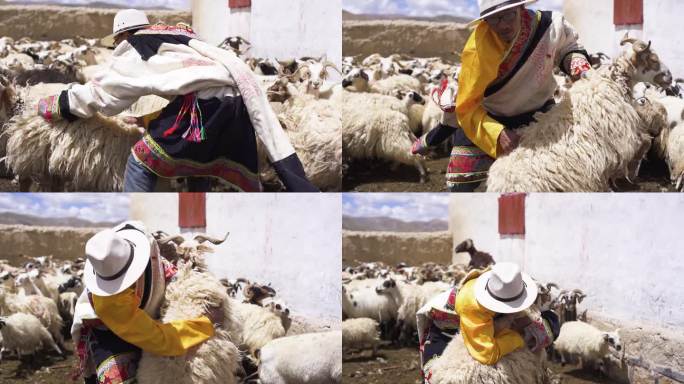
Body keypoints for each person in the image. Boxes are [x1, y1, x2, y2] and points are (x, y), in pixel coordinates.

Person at [37, 9, 317, 192]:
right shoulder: (175, 37)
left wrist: (57, 104)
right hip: (238, 106)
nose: (117, 45)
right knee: (204, 161)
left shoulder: (137, 46)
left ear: (123, 34)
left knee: (141, 159)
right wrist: (149, 119)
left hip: (204, 109)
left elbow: (104, 95)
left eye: (118, 39)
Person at [412, 0, 592, 191]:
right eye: (494, 19)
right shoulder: (477, 50)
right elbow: (466, 106)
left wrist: (578, 66)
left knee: (557, 177)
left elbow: (569, 47)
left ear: (521, 9)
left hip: (539, 114)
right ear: (485, 21)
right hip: (488, 118)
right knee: (461, 184)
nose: (503, 25)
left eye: (508, 15)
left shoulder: (550, 26)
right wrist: (497, 133)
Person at [71, 221, 221, 383]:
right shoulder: (109, 304)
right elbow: (158, 339)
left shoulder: (141, 237)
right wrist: (205, 324)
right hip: (109, 329)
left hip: (147, 311)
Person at [456, 262, 554, 364]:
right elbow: (487, 355)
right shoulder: (472, 307)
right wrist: (519, 337)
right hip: (470, 306)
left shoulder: (506, 281)